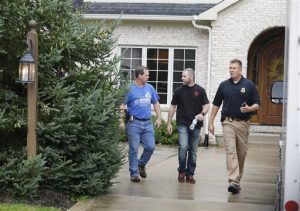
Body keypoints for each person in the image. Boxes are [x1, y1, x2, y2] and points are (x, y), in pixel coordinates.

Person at [208, 59, 260, 194]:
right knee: (231, 151)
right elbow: (216, 104)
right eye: (230, 68)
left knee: (241, 153)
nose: (231, 70)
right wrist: (210, 122)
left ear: (240, 70)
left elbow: (257, 104)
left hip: (243, 123)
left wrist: (249, 109)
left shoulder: (249, 85)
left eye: (234, 68)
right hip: (228, 122)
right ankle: (233, 181)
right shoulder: (223, 85)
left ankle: (237, 180)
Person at [167, 68, 209, 184]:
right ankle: (181, 171)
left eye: (184, 76)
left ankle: (190, 174)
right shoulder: (179, 91)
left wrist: (202, 113)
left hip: (196, 125)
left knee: (193, 151)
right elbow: (172, 106)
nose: (182, 78)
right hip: (182, 124)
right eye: (182, 76)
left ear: (191, 77)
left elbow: (206, 105)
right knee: (184, 147)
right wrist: (169, 122)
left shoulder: (200, 90)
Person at [119, 65, 161, 183]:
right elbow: (122, 104)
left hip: (147, 123)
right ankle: (134, 173)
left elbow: (156, 103)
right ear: (139, 76)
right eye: (146, 75)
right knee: (134, 149)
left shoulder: (150, 88)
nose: (148, 77)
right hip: (134, 123)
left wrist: (158, 118)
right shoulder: (129, 88)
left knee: (150, 147)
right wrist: (121, 120)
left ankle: (141, 164)